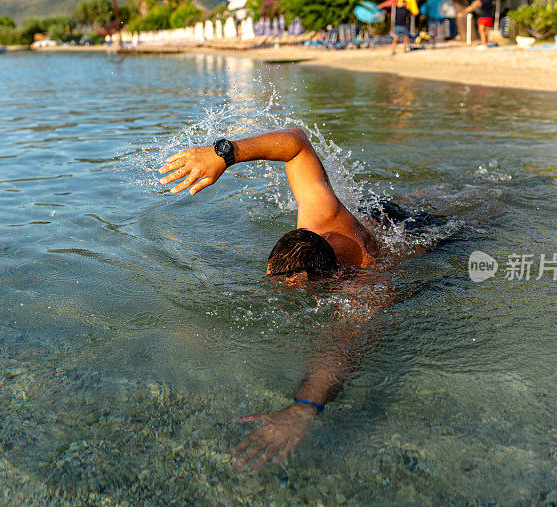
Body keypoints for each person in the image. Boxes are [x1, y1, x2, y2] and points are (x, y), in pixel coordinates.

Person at [158, 129, 443, 469]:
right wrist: (223, 154)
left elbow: (341, 351)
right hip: (378, 214)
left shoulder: (365, 288)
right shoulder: (318, 214)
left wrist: (302, 410)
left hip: (416, 236)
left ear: (334, 277)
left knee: (461, 217)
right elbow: (296, 143)